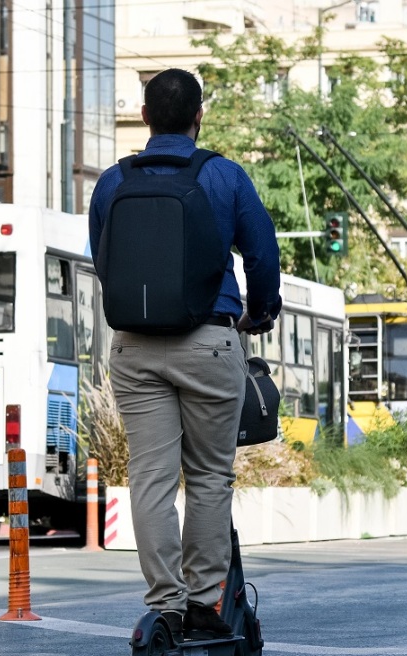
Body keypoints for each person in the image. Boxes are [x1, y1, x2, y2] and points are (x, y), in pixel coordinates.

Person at [88, 68, 283, 642]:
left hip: (135, 348)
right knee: (208, 476)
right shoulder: (223, 176)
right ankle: (204, 603)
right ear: (200, 117)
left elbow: (105, 261)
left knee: (149, 478)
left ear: (144, 118)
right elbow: (262, 254)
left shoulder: (110, 183)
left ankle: (164, 607)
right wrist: (262, 311)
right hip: (210, 342)